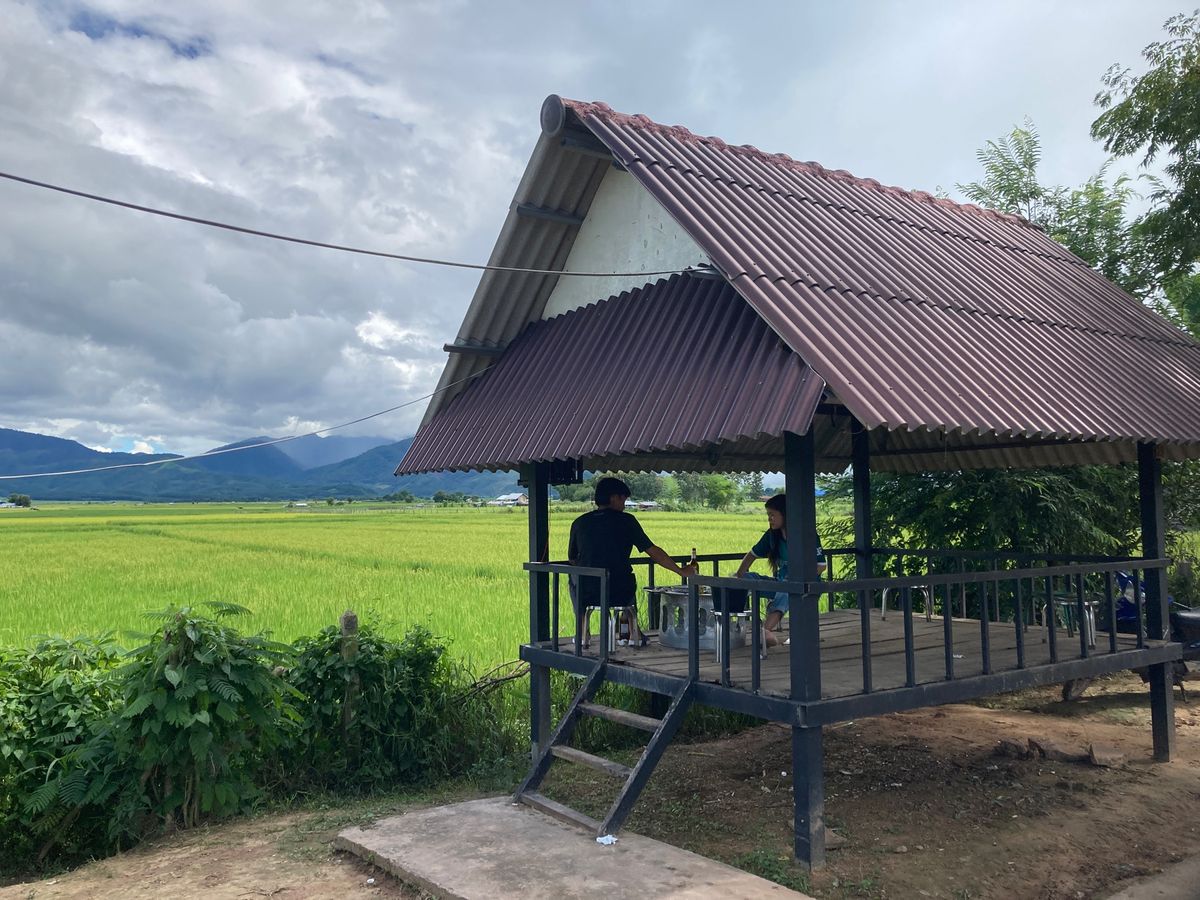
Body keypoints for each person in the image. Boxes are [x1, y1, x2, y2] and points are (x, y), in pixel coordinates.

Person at [568, 477, 697, 648]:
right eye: (623, 499)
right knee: (625, 580)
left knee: (575, 579)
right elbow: (653, 551)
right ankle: (632, 631)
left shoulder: (580, 522)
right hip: (620, 591)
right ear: (614, 498)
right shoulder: (627, 521)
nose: (624, 504)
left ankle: (583, 632)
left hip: (589, 592)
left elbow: (572, 559)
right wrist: (681, 571)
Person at [734, 493, 827, 649]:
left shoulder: (806, 535)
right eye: (768, 515)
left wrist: (798, 578)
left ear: (785, 514)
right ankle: (734, 626)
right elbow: (752, 555)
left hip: (804, 585)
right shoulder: (771, 536)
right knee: (747, 579)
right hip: (779, 583)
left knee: (786, 588)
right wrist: (738, 576)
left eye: (772, 515)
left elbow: (821, 566)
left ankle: (766, 630)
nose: (769, 519)